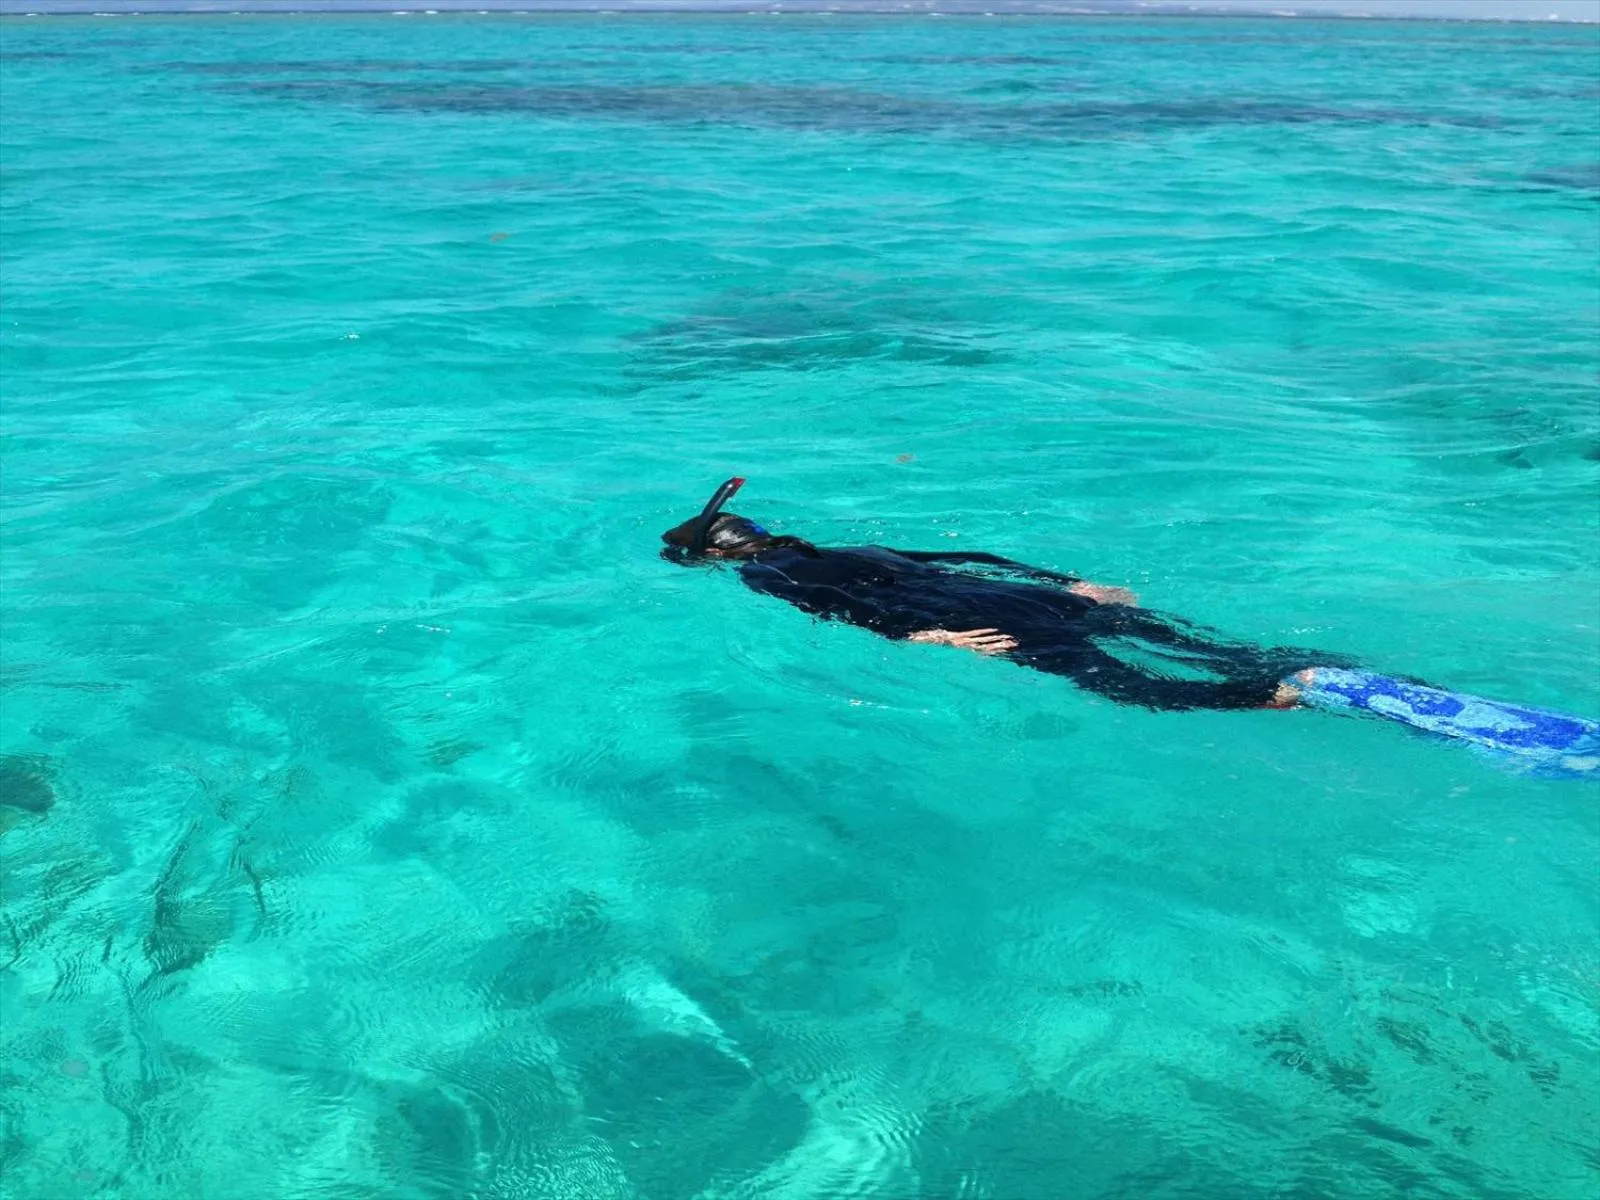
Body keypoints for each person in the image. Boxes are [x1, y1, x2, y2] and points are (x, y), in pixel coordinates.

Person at [661, 478, 1353, 712]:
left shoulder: (762, 576)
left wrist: (926, 636)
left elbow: (840, 608)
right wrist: (1066, 583)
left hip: (968, 618)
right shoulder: (849, 548)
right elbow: (970, 558)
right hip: (1026, 599)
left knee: (1119, 684)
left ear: (716, 558)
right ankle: (1304, 665)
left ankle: (1268, 696)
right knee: (1183, 641)